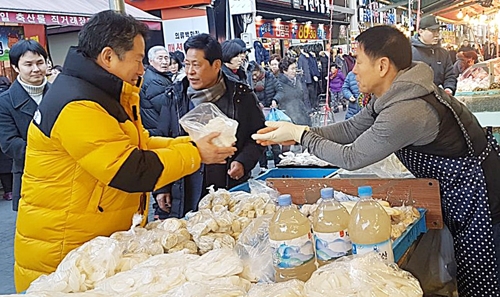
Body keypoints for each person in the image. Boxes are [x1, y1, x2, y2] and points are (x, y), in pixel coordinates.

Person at [252, 25, 500, 296]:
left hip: (483, 196)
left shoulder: (408, 108)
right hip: (461, 192)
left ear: (382, 65)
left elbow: (352, 156)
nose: (353, 70)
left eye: (358, 61)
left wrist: (302, 135)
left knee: (483, 279)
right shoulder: (396, 92)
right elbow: (349, 130)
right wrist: (299, 135)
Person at [13, 11, 236, 292]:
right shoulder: (78, 104)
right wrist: (196, 154)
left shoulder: (100, 93)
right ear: (108, 57)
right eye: (138, 59)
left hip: (91, 246)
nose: (142, 69)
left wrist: (194, 144)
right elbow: (130, 169)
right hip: (65, 255)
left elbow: (140, 144)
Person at [153, 33, 265, 219]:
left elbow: (258, 135)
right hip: (185, 189)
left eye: (196, 65)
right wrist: (162, 186)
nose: (190, 71)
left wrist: (243, 162)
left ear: (216, 65)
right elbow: (163, 140)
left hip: (227, 189)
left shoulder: (241, 96)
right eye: (187, 64)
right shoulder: (175, 96)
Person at [0, 40, 50, 212]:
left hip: (67, 173)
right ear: (15, 67)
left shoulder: (60, 94)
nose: (35, 69)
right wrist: (49, 153)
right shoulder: (4, 102)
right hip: (30, 175)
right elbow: (9, 143)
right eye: (28, 64)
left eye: (40, 63)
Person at [249, 60, 283, 169]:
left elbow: (280, 90)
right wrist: (256, 103)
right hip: (257, 114)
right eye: (252, 75)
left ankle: (279, 164)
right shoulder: (249, 81)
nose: (254, 77)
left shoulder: (269, 77)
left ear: (259, 71)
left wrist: (275, 100)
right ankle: (263, 166)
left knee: (274, 139)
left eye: (256, 74)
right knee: (261, 140)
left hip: (271, 113)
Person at [411, 16, 457, 95]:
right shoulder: (409, 52)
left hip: (438, 100)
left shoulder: (443, 53)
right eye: (433, 31)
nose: (437, 35)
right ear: (420, 31)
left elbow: (450, 75)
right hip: (415, 101)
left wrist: (449, 88)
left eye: (438, 31)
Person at [139, 45, 172, 136]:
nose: (164, 62)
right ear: (151, 61)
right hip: (158, 128)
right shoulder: (154, 81)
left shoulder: (158, 76)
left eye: (166, 58)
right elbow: (165, 107)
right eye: (160, 58)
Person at [276, 56, 311, 126]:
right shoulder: (278, 84)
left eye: (295, 68)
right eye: (292, 69)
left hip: (303, 118)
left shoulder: (298, 81)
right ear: (284, 70)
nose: (294, 71)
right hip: (289, 121)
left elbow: (303, 98)